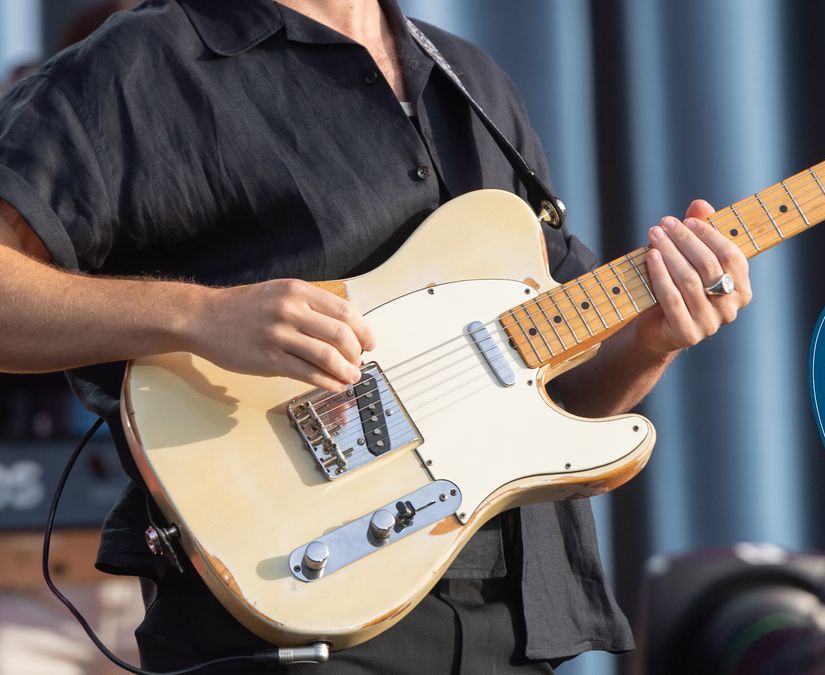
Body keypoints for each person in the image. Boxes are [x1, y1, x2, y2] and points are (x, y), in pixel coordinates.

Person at [0, 0, 752, 672]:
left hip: (512, 627)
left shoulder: (472, 82)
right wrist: (199, 318)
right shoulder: (146, 62)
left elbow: (559, 397)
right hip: (295, 619)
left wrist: (653, 339)